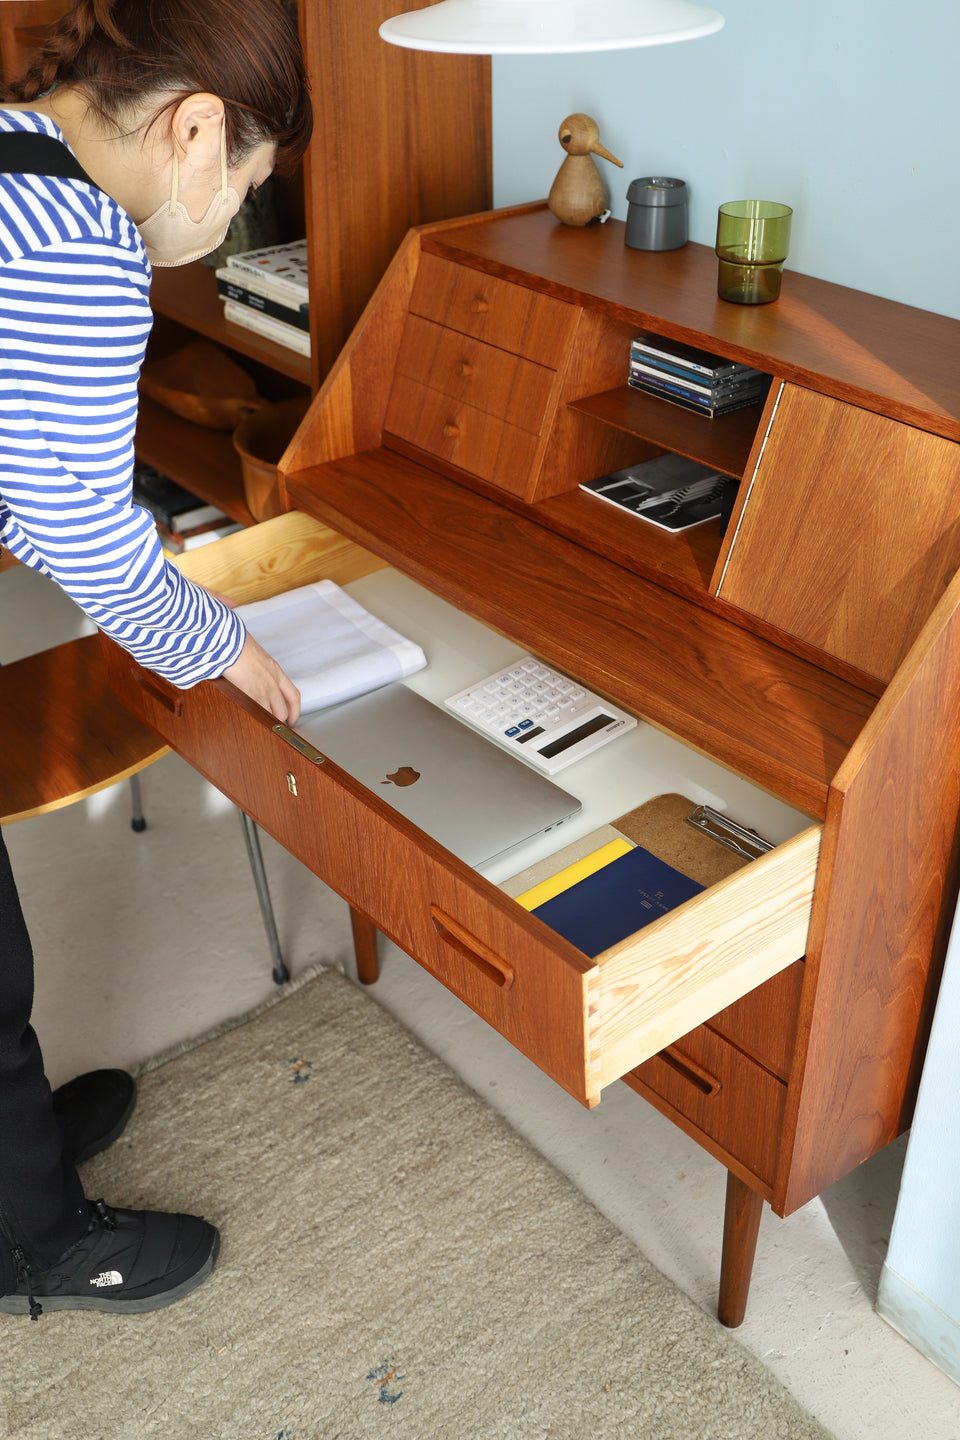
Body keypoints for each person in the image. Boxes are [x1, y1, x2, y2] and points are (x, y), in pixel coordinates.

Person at [0, 0, 312, 1318]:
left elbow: (22, 476)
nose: (231, 213)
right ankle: (36, 1246)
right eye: (245, 177)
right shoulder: (79, 243)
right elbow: (73, 517)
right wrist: (224, 641)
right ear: (193, 127)